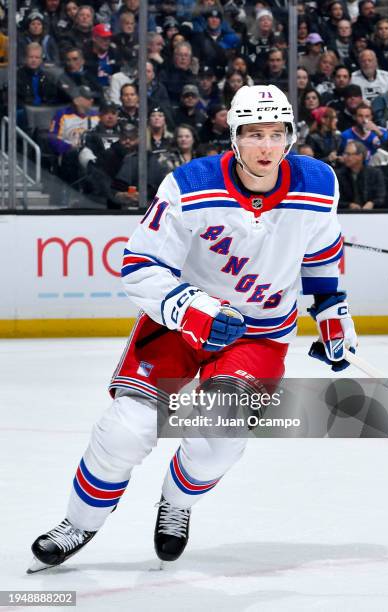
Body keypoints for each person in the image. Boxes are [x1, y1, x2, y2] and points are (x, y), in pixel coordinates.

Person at [28, 84, 357, 573]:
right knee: (127, 430)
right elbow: (140, 263)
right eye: (253, 135)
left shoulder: (318, 183)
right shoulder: (191, 184)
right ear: (234, 138)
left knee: (219, 438)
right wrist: (190, 307)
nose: (265, 147)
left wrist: (331, 311)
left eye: (275, 134)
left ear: (289, 136)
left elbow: (321, 251)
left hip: (259, 333)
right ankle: (79, 522)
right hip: (181, 325)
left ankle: (176, 504)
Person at [336, 140, 385, 209]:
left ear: (360, 156)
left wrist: (372, 203)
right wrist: (348, 205)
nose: (345, 157)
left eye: (349, 154)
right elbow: (335, 199)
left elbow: (381, 196)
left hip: (372, 214)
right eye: (345, 154)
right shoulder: (338, 175)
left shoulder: (375, 173)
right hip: (345, 215)